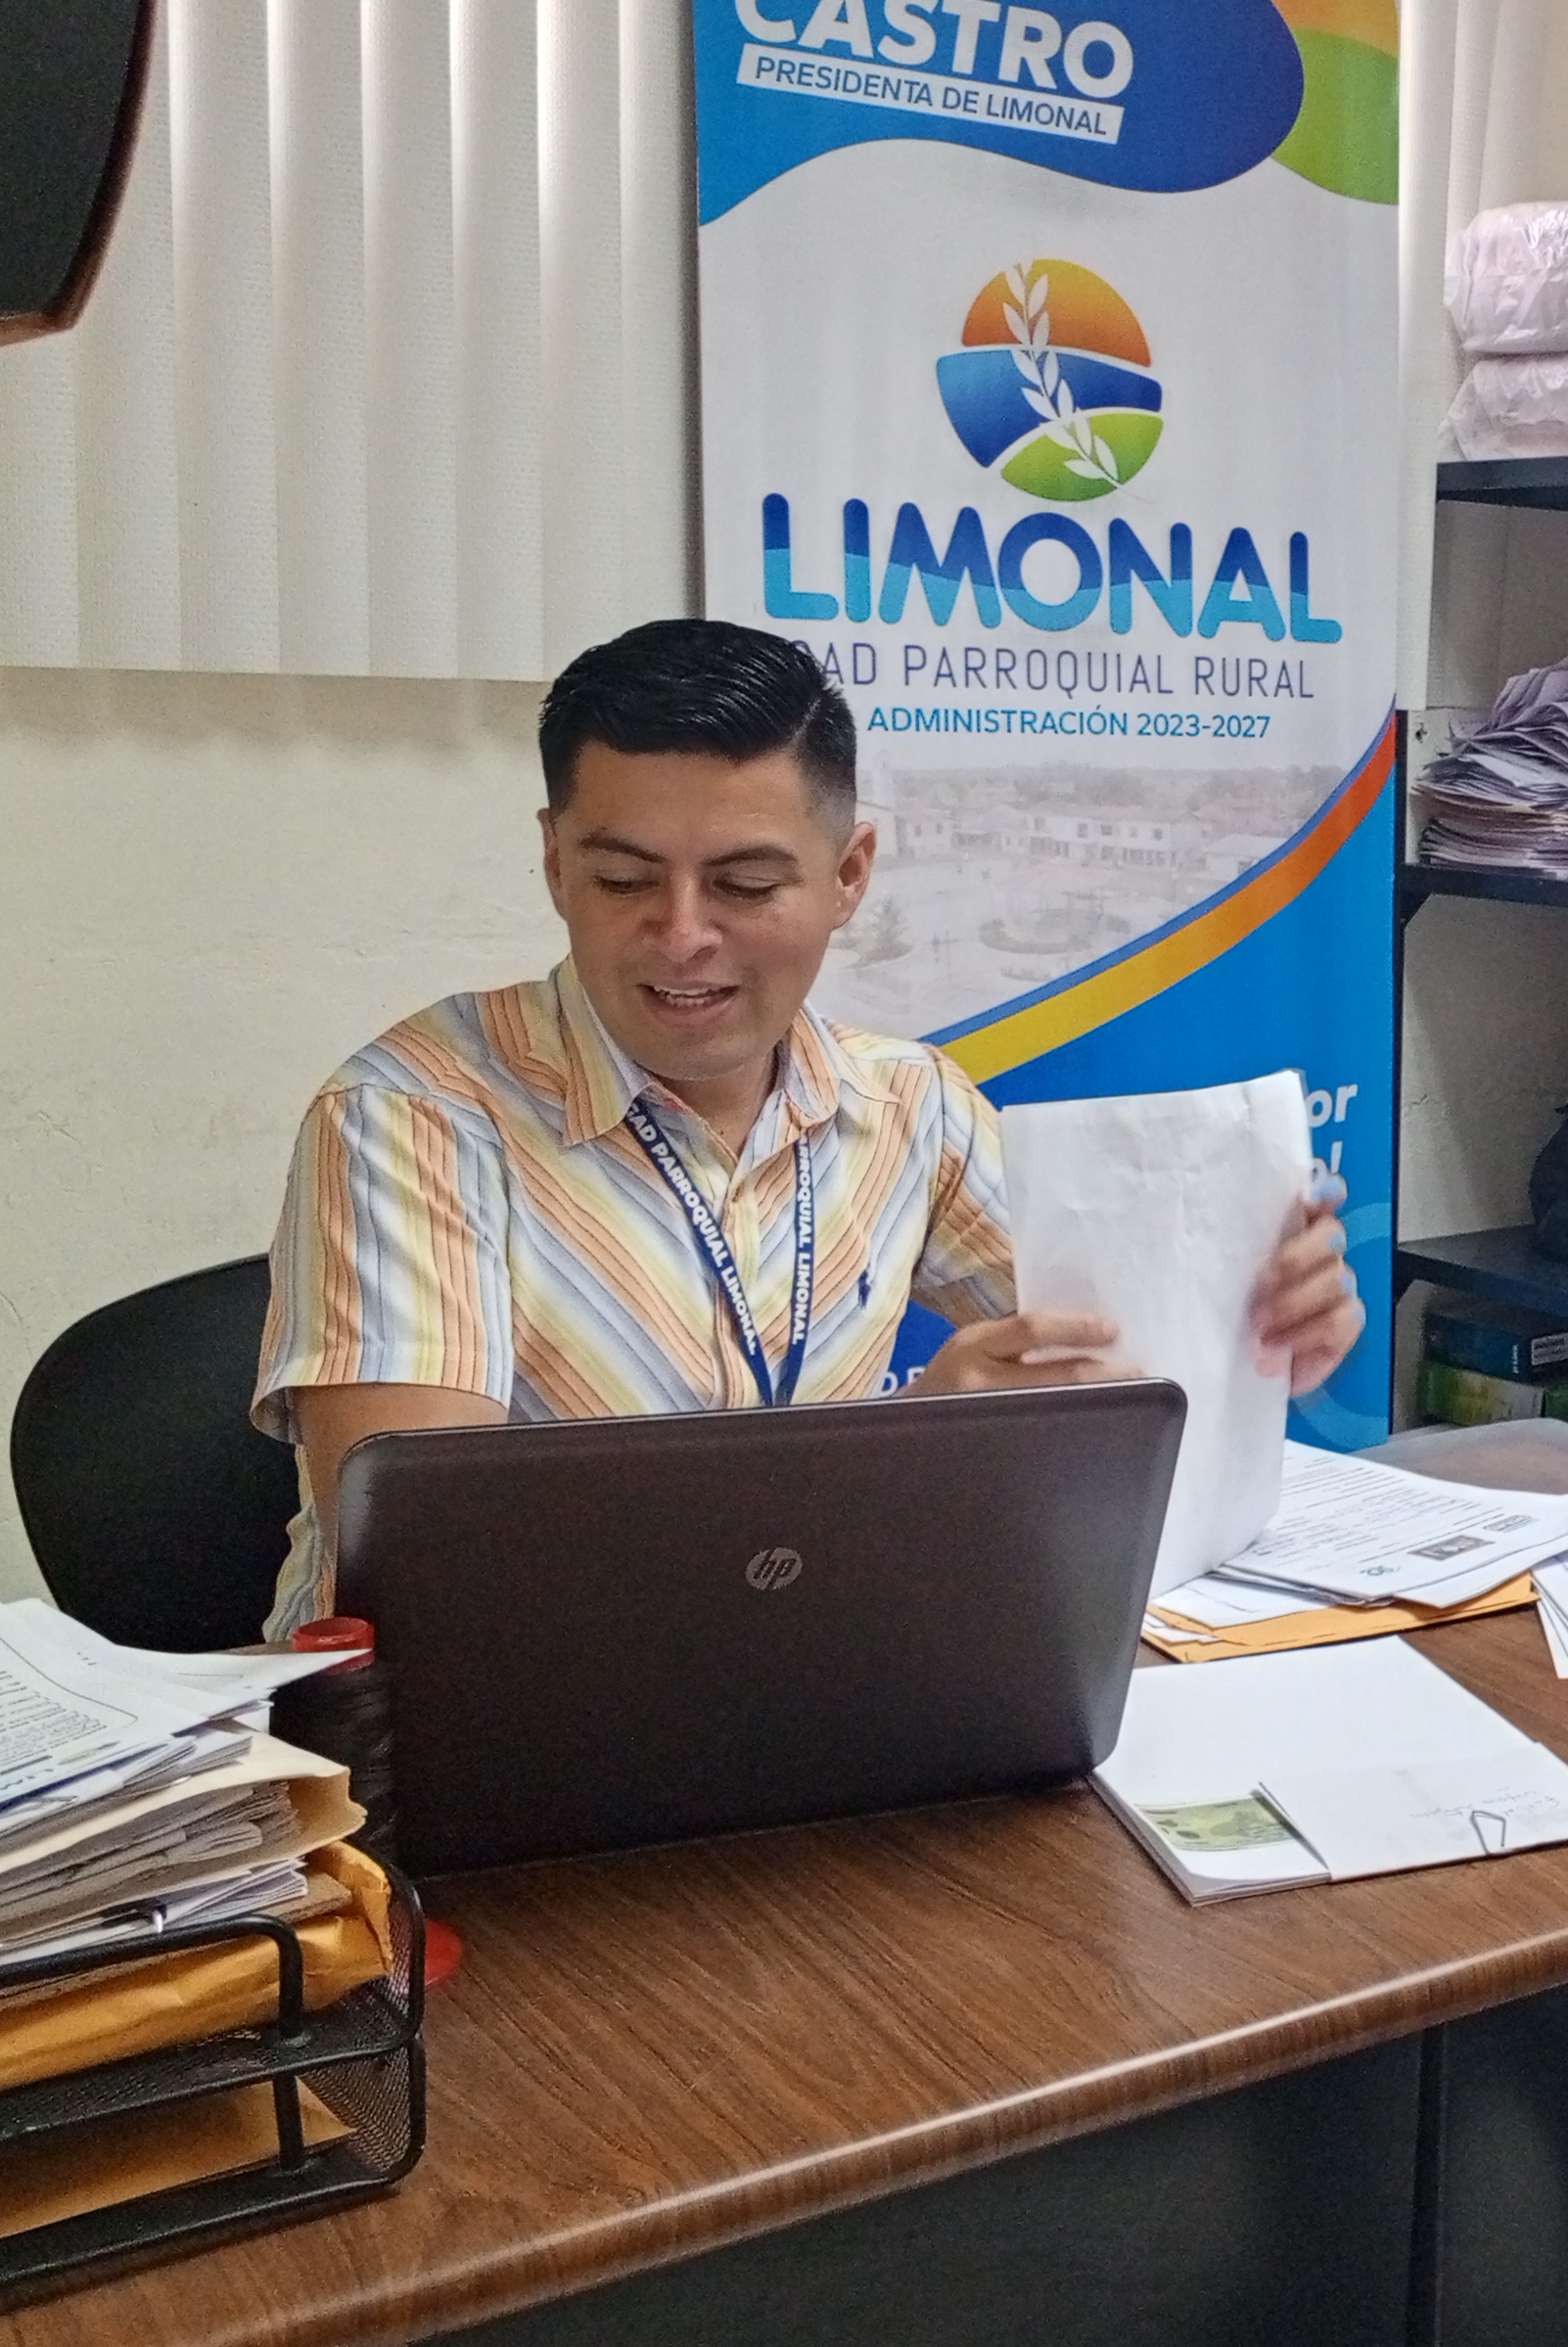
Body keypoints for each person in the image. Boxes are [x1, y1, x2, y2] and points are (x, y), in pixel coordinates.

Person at [250, 618, 1361, 1632]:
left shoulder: (906, 1103)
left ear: (848, 875)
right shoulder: (412, 1121)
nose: (681, 935)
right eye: (624, 879)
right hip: (488, 1716)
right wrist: (908, 1462)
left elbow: (1121, 1370)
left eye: (743, 885)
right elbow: (434, 1569)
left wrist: (1259, 1331)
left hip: (820, 1669)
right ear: (554, 863)